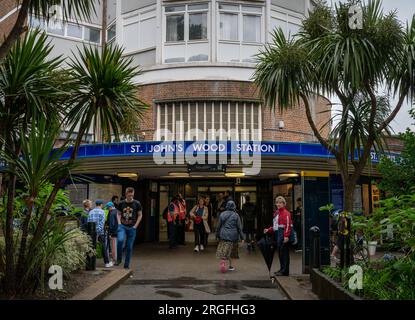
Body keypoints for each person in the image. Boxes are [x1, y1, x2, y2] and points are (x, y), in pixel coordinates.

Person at [264, 196, 292, 276]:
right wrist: (268, 230)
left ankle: (285, 271)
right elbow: (275, 226)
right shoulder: (276, 213)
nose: (278, 204)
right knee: (280, 253)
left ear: (284, 204)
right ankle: (282, 269)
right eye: (277, 202)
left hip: (282, 233)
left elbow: (287, 225)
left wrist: (286, 236)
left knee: (284, 253)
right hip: (277, 234)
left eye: (280, 203)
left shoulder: (286, 213)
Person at [117, 187, 143, 269]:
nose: (131, 197)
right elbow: (118, 214)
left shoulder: (137, 203)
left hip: (132, 227)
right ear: (126, 194)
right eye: (129, 195)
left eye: (132, 195)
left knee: (129, 247)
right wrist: (119, 223)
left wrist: (135, 226)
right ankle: (119, 258)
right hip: (122, 226)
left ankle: (126, 265)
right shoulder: (121, 203)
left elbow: (140, 215)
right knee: (120, 240)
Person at [216, 201, 244, 273]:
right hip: (233, 236)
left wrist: (217, 235)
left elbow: (218, 226)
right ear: (234, 206)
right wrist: (242, 237)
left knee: (224, 250)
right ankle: (230, 266)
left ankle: (223, 261)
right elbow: (239, 228)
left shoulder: (222, 214)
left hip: (223, 235)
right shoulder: (236, 215)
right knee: (231, 252)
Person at [88, 199, 111, 268]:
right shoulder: (102, 212)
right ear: (101, 205)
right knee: (103, 246)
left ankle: (90, 262)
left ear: (96, 204)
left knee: (91, 247)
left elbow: (88, 221)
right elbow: (102, 223)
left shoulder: (91, 212)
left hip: (91, 232)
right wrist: (98, 232)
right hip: (100, 232)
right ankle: (106, 263)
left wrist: (92, 232)